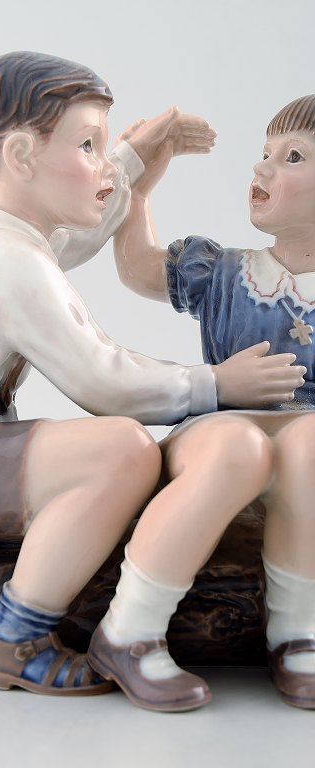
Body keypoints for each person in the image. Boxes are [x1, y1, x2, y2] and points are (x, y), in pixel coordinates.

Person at [0, 52, 303, 706]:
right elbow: (104, 382)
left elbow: (70, 240)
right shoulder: (9, 263)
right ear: (22, 157)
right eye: (87, 146)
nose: (101, 164)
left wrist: (128, 164)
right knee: (121, 449)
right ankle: (16, 635)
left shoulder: (2, 241)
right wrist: (215, 384)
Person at [108, 95, 315, 710]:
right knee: (237, 446)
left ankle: (298, 631)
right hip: (220, 422)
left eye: (292, 158)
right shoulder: (223, 271)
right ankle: (129, 628)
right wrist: (138, 194)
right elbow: (139, 268)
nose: (261, 168)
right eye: (265, 153)